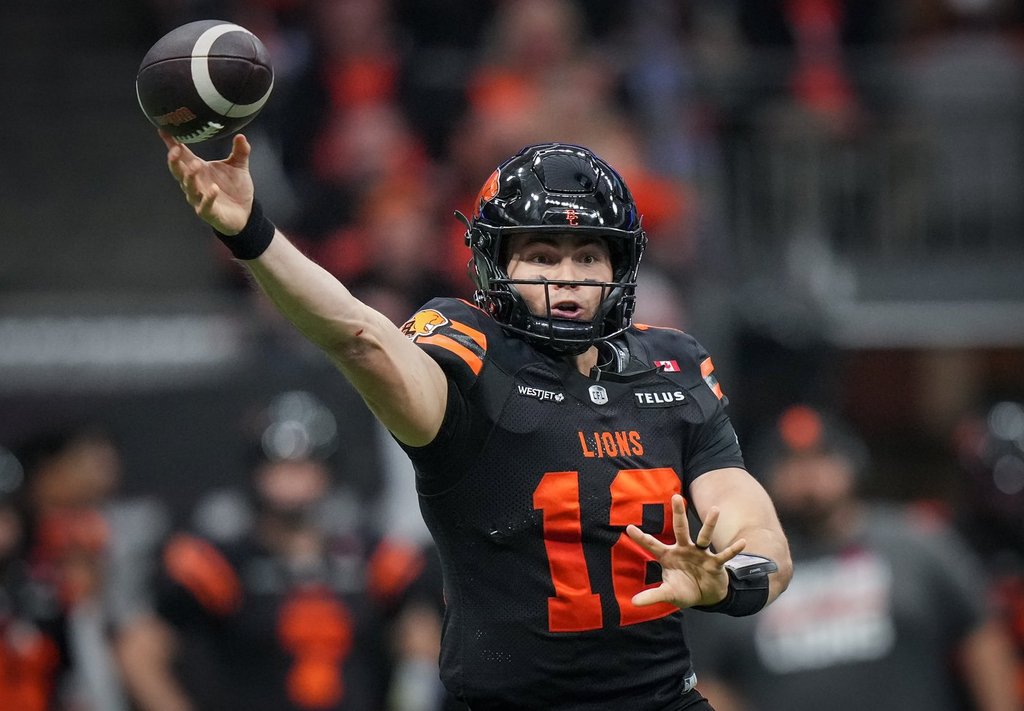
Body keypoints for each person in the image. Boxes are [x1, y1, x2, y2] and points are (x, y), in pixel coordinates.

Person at [157, 131, 793, 710]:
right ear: (498, 265)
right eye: (541, 256)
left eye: (587, 257)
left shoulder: (673, 367)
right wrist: (252, 233)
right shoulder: (470, 357)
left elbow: (752, 523)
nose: (566, 279)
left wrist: (727, 582)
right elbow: (359, 337)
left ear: (619, 268)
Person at [115, 391, 448, 711]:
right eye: (280, 465)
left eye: (305, 465)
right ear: (256, 470)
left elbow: (421, 641)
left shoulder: (372, 559)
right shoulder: (223, 565)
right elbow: (138, 652)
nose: (292, 478)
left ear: (327, 470)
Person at [684, 404, 1021, 711]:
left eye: (822, 457)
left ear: (851, 462)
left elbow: (981, 635)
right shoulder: (739, 567)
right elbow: (710, 679)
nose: (808, 475)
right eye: (790, 461)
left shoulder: (916, 543)